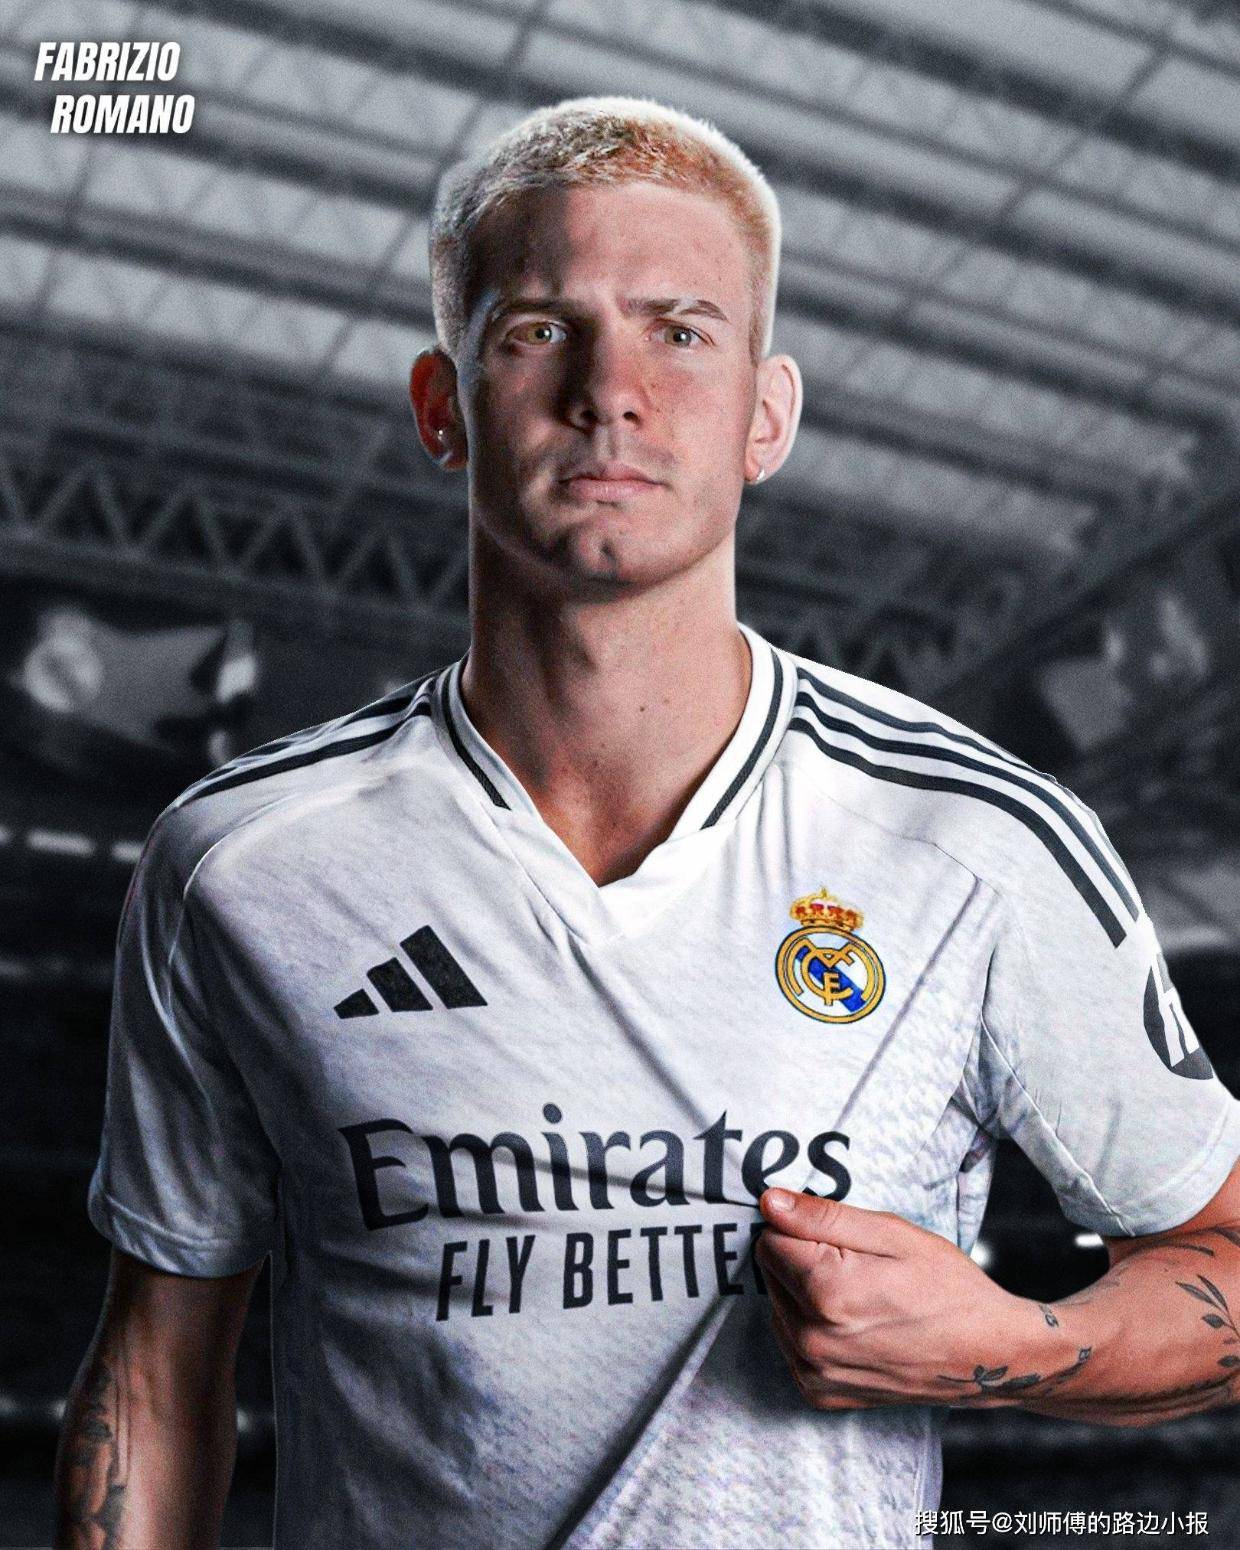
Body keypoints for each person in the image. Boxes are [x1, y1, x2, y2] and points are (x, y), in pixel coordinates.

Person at [55, 96, 1240, 1550]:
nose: (609, 391)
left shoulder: (972, 839)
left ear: (766, 416)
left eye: (681, 331)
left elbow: (1225, 1253)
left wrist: (1003, 1340)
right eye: (538, 329)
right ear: (442, 407)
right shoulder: (242, 861)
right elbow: (157, 1377)